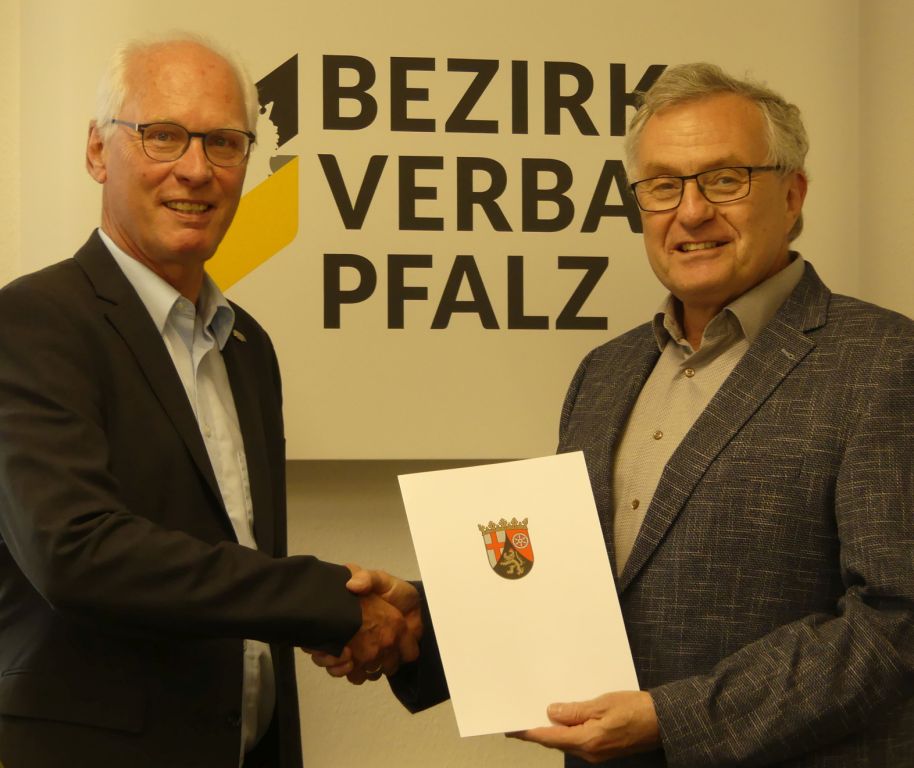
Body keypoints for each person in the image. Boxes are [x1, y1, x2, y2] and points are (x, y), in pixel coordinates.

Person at [314, 63, 914, 766]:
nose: (692, 211)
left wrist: (672, 719)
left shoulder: (882, 361)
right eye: (662, 185)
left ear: (792, 193)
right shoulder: (606, 372)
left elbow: (896, 620)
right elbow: (570, 588)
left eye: (725, 179)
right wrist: (428, 621)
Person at [0, 35, 420, 768]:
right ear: (98, 151)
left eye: (223, 142)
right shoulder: (32, 322)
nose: (196, 169)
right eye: (163, 136)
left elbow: (241, 567)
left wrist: (354, 617)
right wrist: (328, 601)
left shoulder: (247, 346)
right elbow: (76, 551)